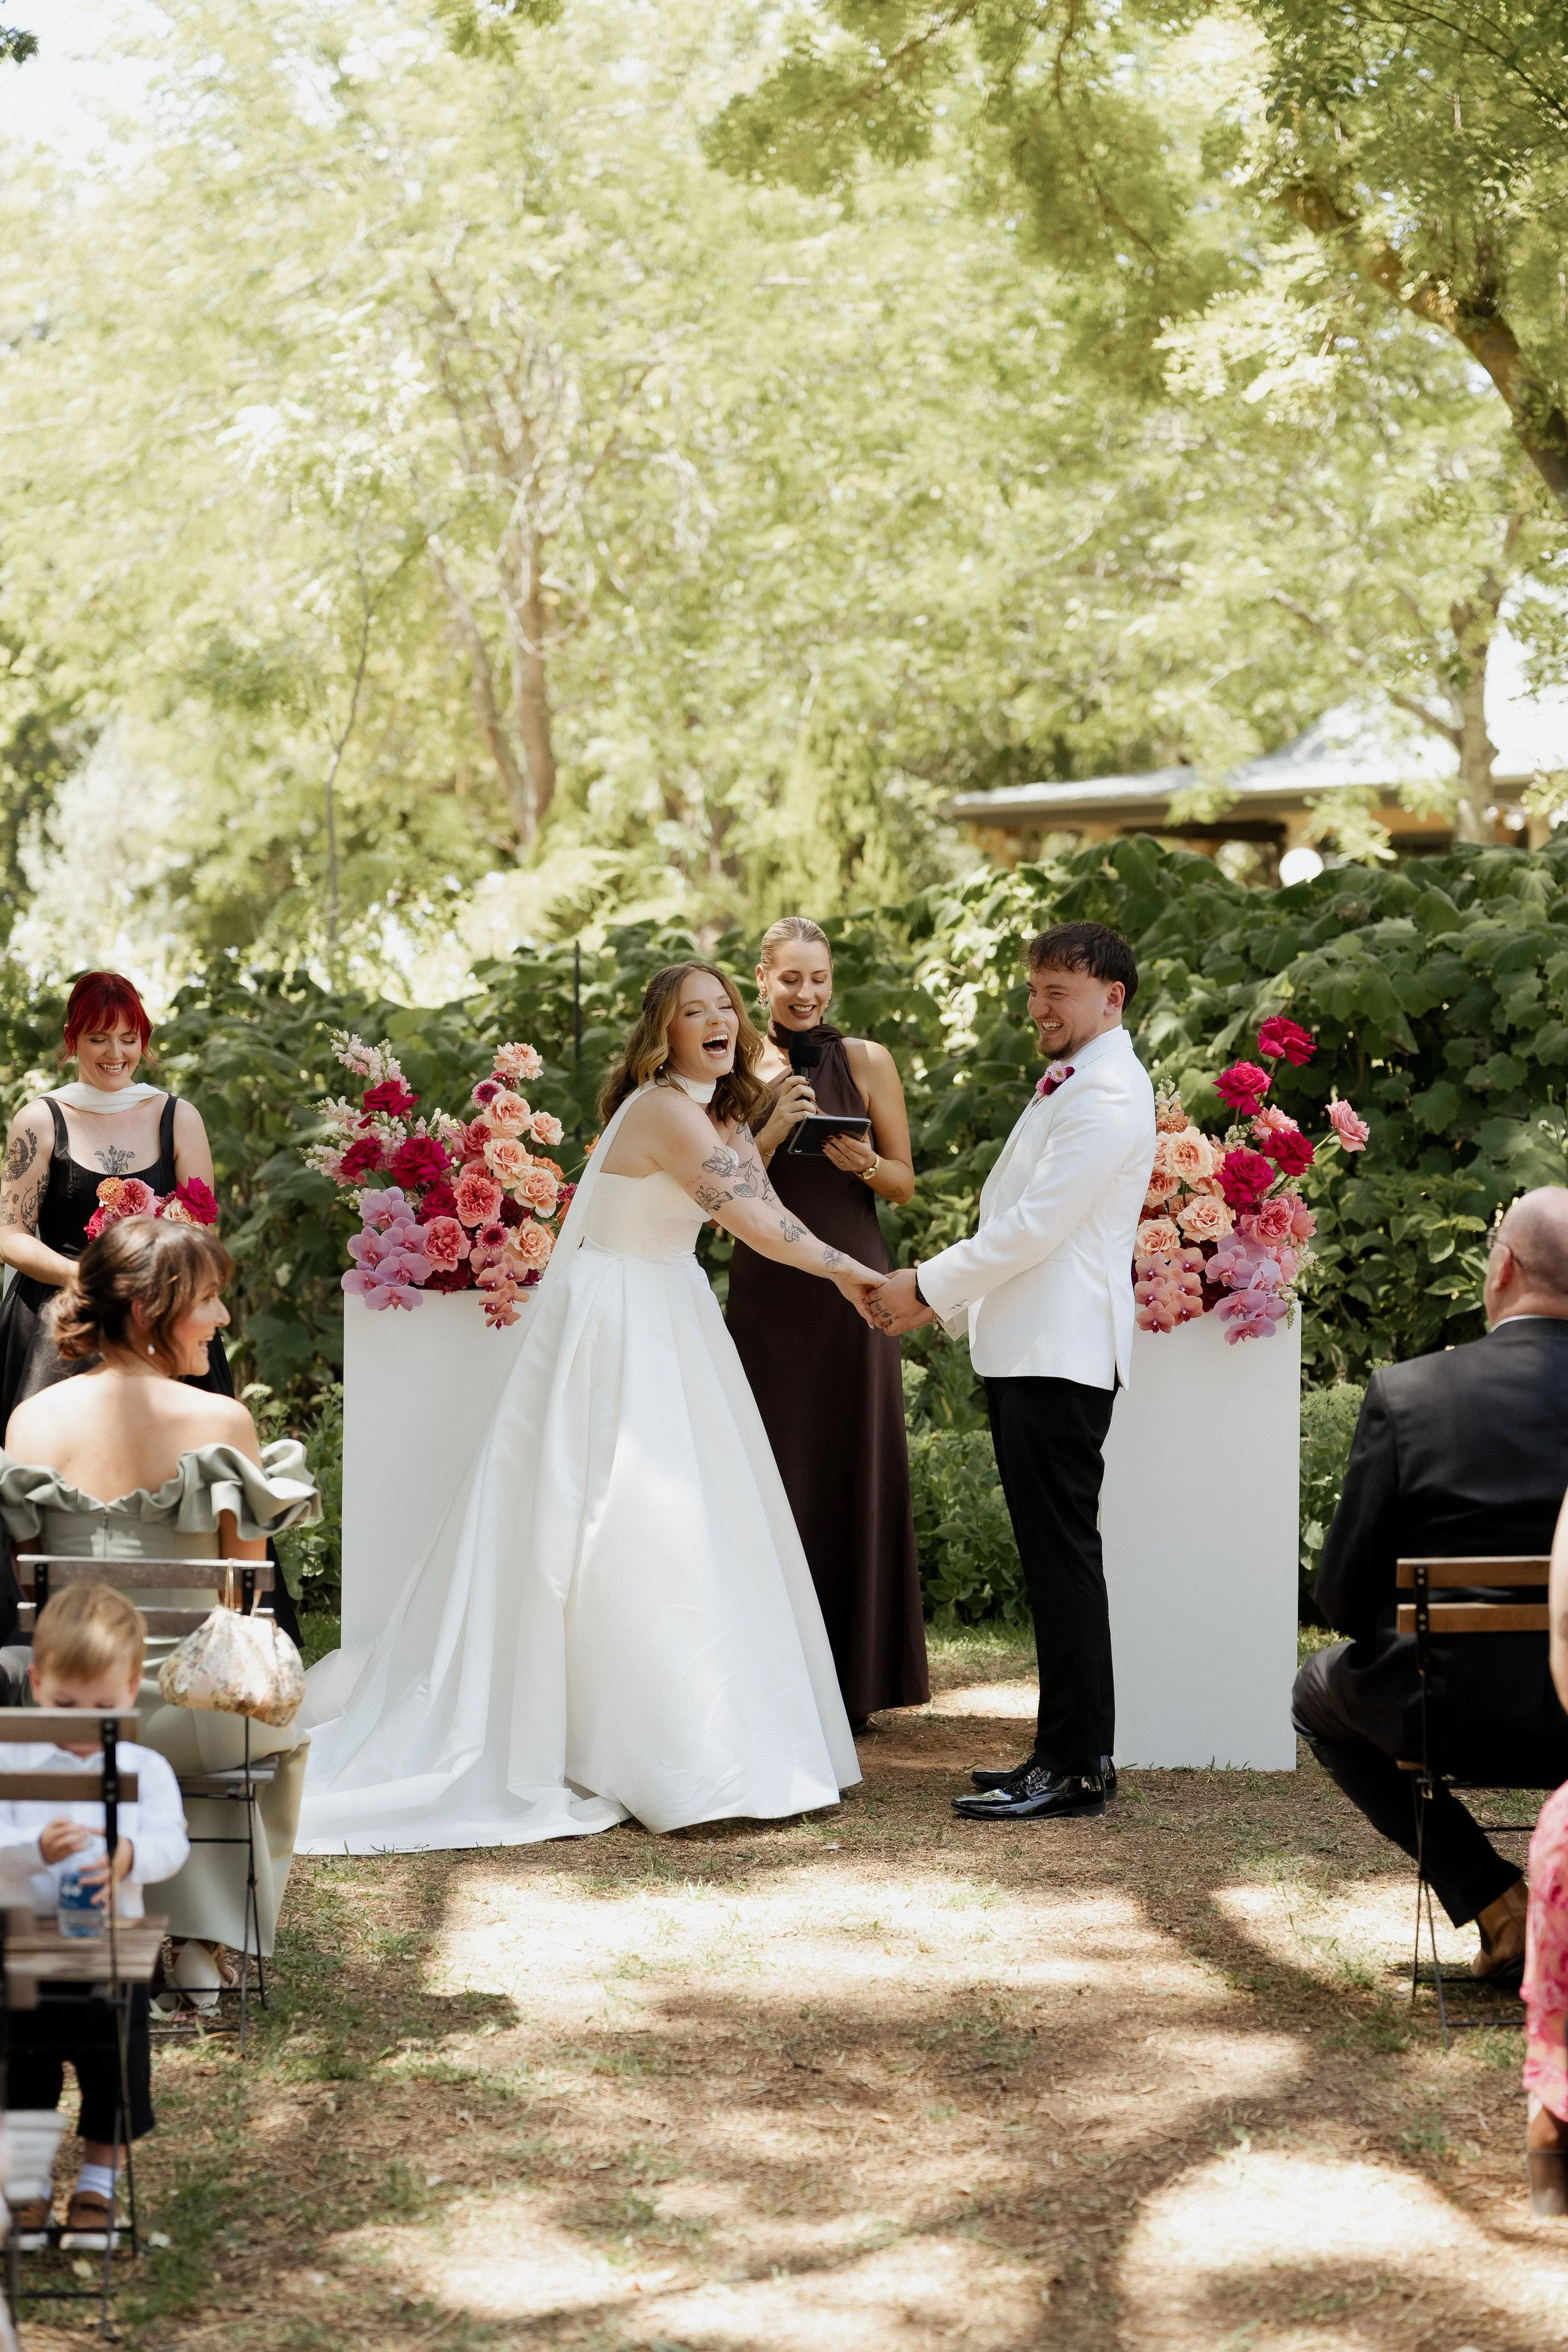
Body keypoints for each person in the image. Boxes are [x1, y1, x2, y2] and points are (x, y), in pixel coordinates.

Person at [299, 961, 882, 1853]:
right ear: (665, 1033)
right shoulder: (660, 1109)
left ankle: (709, 1736)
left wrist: (841, 1260)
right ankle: (653, 1747)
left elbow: (758, 1200)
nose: (718, 1020)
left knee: (699, 1516)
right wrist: (858, 1276)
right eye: (696, 1011)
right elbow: (757, 1225)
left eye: (726, 1007)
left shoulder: (716, 1113)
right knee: (627, 1523)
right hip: (621, 1321)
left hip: (671, 1307)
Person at [872, 920, 1156, 1823]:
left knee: (1062, 1560)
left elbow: (1036, 1226)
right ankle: (1074, 1754)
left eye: (1057, 991)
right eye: (1033, 989)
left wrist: (925, 1285)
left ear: (1111, 999)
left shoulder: (1107, 1093)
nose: (1038, 1007)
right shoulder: (1082, 1080)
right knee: (1059, 1559)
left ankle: (1071, 1765)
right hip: (1041, 1348)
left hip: (1059, 1353)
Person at [0, 1219, 321, 1995]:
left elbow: (24, 1587)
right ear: (149, 1310)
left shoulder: (32, 1421)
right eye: (208, 1300)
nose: (221, 1319)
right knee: (259, 1712)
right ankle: (203, 1945)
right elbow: (243, 1599)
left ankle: (85, 1923)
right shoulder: (220, 1423)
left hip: (64, 1718)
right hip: (193, 1720)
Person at [1293, 1186, 1568, 2001]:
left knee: (1315, 1692)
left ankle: (1496, 1899)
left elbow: (1342, 1597)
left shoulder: (1411, 1394)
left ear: (1504, 1270)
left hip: (1448, 1715)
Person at [726, 916, 928, 1731]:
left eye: (819, 978)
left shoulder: (870, 1061)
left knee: (853, 1457)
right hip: (770, 1288)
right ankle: (772, 1672)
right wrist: (771, 1131)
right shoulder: (734, 1064)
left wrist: (868, 1164)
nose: (806, 993)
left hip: (852, 1282)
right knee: (775, 1464)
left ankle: (856, 1682)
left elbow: (907, 1182)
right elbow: (713, 1188)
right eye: (791, 979)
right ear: (763, 979)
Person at [1, 1582, 189, 2249]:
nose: (85, 1728)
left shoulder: (146, 1767)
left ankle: (97, 2190)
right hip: (27, 1953)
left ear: (133, 1688)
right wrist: (31, 1850)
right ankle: (25, 2192)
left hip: (113, 1951)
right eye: (66, 1706)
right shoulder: (12, 1764)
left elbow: (173, 1845)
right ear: (37, 1682)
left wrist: (125, 1855)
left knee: (115, 2068)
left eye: (103, 1708)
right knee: (23, 2072)